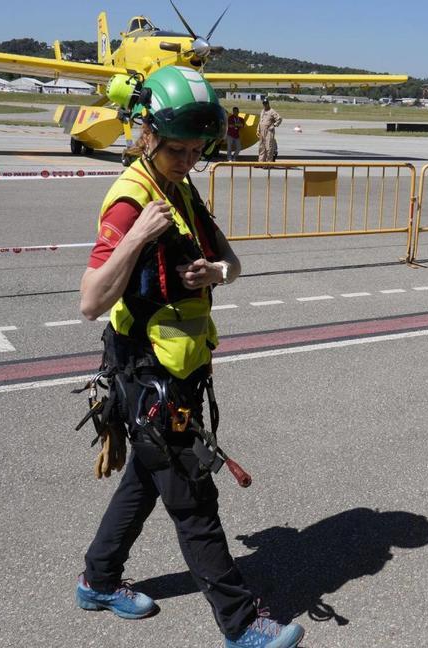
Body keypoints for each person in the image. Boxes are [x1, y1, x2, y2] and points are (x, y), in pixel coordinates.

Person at [76, 66, 304, 648]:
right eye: (176, 149)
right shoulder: (132, 199)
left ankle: (98, 581)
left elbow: (232, 262)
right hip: (145, 372)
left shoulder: (179, 188)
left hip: (181, 367)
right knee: (192, 495)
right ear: (146, 134)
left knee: (145, 482)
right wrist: (135, 238)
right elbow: (90, 300)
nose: (187, 159)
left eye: (196, 150)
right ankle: (242, 622)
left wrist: (215, 271)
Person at [257, 98, 283, 163]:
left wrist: (274, 125)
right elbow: (260, 121)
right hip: (262, 131)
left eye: (266, 103)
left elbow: (279, 119)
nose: (265, 105)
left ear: (268, 104)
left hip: (269, 131)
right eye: (264, 103)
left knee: (269, 147)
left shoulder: (272, 111)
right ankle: (261, 162)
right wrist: (258, 130)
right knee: (261, 147)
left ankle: (268, 162)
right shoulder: (262, 111)